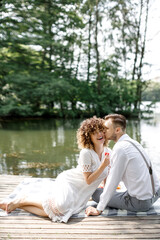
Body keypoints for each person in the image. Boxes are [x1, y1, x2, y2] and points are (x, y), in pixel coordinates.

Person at [0, 117, 111, 223]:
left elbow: (107, 175)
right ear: (88, 136)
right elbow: (88, 180)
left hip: (83, 192)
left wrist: (105, 191)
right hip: (71, 182)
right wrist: (103, 166)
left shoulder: (109, 151)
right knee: (61, 207)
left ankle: (19, 204)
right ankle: (24, 199)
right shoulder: (86, 152)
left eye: (101, 131)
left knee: (63, 213)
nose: (99, 134)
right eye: (94, 132)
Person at [86, 114, 160, 216]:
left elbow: (113, 180)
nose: (103, 132)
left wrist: (99, 209)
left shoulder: (120, 148)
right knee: (110, 189)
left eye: (106, 128)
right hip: (155, 194)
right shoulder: (133, 143)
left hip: (140, 203)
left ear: (117, 130)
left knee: (96, 193)